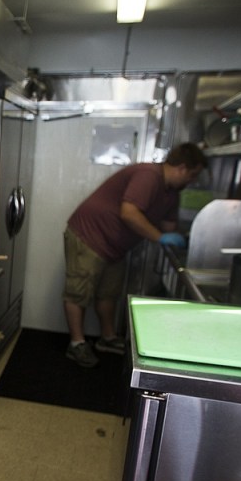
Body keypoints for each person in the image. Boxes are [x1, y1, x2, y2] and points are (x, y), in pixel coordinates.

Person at [62, 142, 208, 367]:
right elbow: (129, 213)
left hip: (115, 246)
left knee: (108, 293)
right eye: (192, 175)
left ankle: (107, 339)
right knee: (78, 291)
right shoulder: (148, 176)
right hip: (89, 235)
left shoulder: (171, 193)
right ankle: (77, 344)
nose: (192, 182)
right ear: (181, 168)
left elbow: (169, 226)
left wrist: (183, 240)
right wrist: (159, 237)